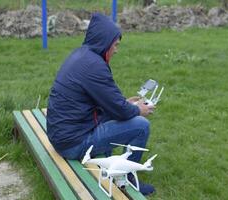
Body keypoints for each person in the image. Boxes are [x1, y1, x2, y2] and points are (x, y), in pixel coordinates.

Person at [47, 13, 155, 196]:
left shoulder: (81, 55)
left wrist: (124, 104)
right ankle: (127, 179)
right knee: (141, 126)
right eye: (115, 45)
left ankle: (114, 164)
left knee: (120, 116)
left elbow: (108, 102)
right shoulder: (94, 66)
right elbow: (120, 110)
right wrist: (138, 109)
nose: (116, 50)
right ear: (105, 43)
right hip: (73, 143)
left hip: (61, 135)